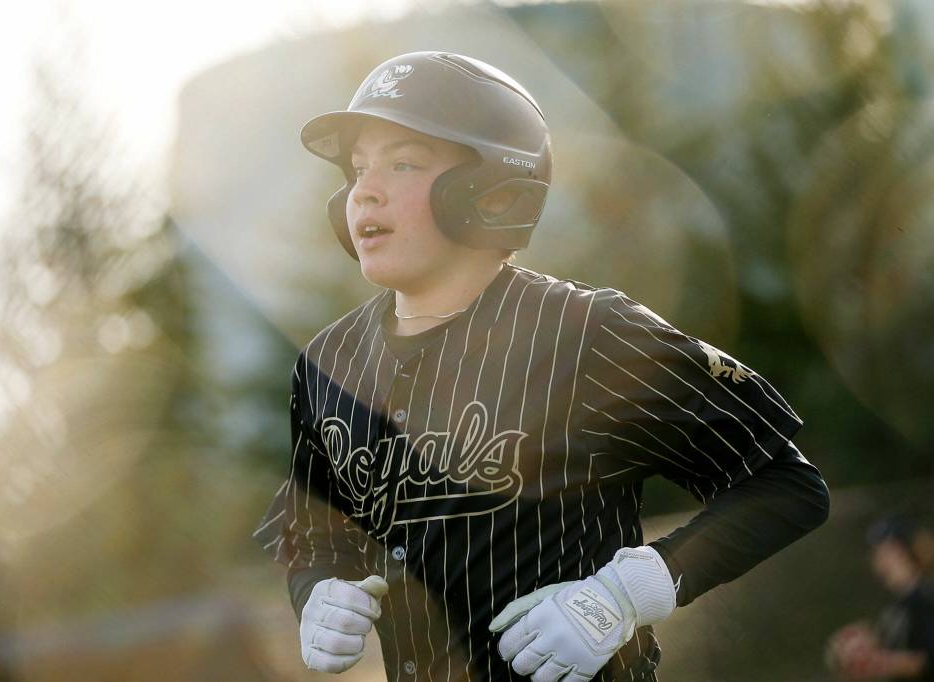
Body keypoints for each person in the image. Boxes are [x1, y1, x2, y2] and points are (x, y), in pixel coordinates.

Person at [254, 51, 830, 681]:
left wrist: (625, 595)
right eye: (358, 168)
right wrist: (315, 593)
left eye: (404, 163)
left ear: (492, 188)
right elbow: (315, 538)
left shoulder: (590, 334)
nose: (364, 188)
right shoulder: (327, 365)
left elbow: (785, 486)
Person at [826, 516, 934, 681]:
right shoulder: (897, 609)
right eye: (877, 553)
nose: (880, 559)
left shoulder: (923, 597)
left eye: (889, 550)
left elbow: (925, 660)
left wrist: (883, 663)